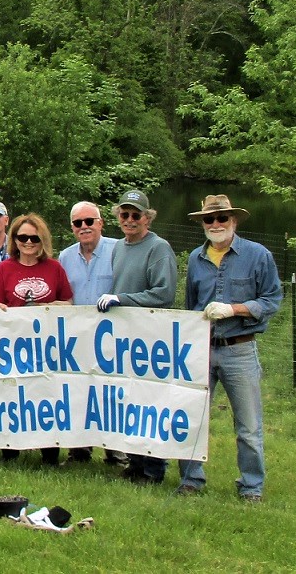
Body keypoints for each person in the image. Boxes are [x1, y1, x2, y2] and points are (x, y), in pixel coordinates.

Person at [178, 195, 283, 502]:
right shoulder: (196, 259)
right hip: (202, 349)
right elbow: (191, 305)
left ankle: (251, 486)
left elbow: (271, 300)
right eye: (209, 220)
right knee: (192, 417)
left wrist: (234, 309)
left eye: (222, 218)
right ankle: (190, 479)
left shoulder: (258, 255)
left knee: (248, 425)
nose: (216, 224)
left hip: (240, 349)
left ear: (234, 221)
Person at [96, 189, 178, 485]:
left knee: (150, 402)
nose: (129, 220)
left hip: (151, 337)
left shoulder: (159, 248)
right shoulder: (119, 247)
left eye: (136, 215)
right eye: (124, 214)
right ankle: (135, 462)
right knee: (129, 401)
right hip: (125, 337)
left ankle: (154, 469)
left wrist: (123, 298)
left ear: (147, 218)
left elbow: (163, 294)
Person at [0, 212, 73, 466]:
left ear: (42, 239)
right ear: (14, 239)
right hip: (12, 346)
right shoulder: (5, 268)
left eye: (34, 237)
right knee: (12, 396)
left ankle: (49, 454)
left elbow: (69, 302)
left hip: (46, 347)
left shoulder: (54, 268)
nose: (28, 242)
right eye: (22, 237)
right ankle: (10, 452)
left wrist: (58, 305)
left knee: (46, 397)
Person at [56, 201, 127, 466]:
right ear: (72, 227)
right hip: (76, 337)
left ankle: (116, 451)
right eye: (78, 223)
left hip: (112, 336)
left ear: (101, 222)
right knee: (77, 392)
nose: (84, 227)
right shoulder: (65, 257)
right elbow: (64, 296)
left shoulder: (118, 250)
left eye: (89, 221)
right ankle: (79, 451)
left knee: (112, 393)